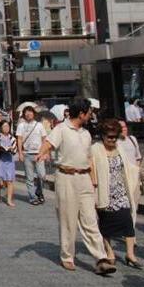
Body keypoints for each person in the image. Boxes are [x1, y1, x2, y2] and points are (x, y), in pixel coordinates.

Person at [36, 98, 115, 274]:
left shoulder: (86, 134)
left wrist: (93, 181)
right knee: (68, 219)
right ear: (82, 113)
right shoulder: (61, 129)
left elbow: (89, 158)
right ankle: (67, 256)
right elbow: (47, 144)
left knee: (90, 220)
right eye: (89, 112)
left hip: (84, 177)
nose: (91, 115)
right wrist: (41, 154)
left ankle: (101, 258)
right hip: (66, 177)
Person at [91, 119, 142, 269]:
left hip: (121, 192)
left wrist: (138, 176)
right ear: (103, 136)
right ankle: (110, 252)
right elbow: (91, 168)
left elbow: (127, 167)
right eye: (109, 137)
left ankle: (130, 254)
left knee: (128, 222)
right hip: (105, 192)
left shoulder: (119, 148)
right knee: (106, 225)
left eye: (115, 136)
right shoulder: (95, 149)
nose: (112, 139)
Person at [16, 106, 47, 205]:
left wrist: (45, 153)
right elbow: (19, 139)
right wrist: (20, 153)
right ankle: (32, 197)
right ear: (24, 114)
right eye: (26, 112)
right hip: (27, 154)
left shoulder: (39, 125)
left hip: (39, 153)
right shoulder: (21, 125)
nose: (28, 114)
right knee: (29, 177)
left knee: (42, 175)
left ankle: (39, 191)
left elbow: (44, 139)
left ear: (34, 113)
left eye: (30, 112)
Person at [0, 121, 17, 207]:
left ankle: (9, 200)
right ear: (1, 128)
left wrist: (11, 149)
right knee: (1, 182)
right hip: (0, 160)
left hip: (9, 161)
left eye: (7, 126)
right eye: (4, 126)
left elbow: (14, 150)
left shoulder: (12, 138)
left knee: (9, 181)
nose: (6, 128)